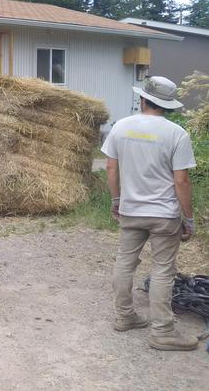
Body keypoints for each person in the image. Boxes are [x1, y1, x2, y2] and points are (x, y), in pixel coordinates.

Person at [101, 76, 197, 351]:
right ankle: (162, 332)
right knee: (163, 270)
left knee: (125, 263)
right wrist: (187, 218)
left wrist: (116, 200)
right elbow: (181, 181)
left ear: (142, 99)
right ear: (167, 105)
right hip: (164, 215)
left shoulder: (121, 127)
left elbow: (110, 168)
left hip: (131, 211)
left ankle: (124, 316)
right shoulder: (177, 134)